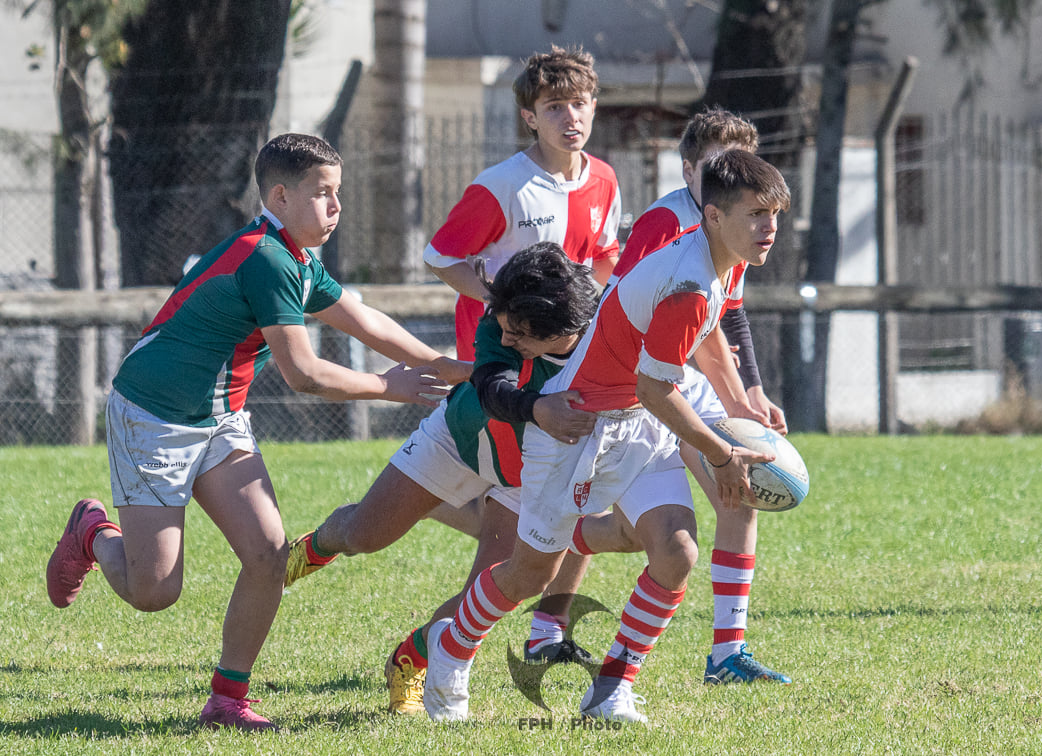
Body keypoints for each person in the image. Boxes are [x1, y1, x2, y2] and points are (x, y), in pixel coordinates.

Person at [44, 133, 470, 732]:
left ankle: (226, 701)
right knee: (154, 592)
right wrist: (389, 386)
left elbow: (362, 318)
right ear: (280, 196)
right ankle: (94, 533)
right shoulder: (266, 258)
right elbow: (304, 374)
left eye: (338, 193)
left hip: (220, 420)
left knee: (269, 555)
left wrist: (438, 364)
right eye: (323, 193)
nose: (336, 206)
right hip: (154, 415)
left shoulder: (294, 257)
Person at [422, 150, 791, 724]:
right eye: (756, 214)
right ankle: (452, 646)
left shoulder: (728, 258)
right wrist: (720, 453)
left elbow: (705, 333)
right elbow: (654, 387)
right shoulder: (687, 283)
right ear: (714, 216)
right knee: (530, 573)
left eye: (775, 214)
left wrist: (738, 400)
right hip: (577, 427)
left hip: (639, 422)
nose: (770, 227)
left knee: (676, 552)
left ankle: (610, 690)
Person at [283, 242, 601, 714]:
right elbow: (493, 389)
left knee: (496, 589)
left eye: (520, 335)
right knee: (365, 535)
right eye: (504, 325)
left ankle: (412, 658)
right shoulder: (501, 320)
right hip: (457, 440)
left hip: (528, 474)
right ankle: (315, 546)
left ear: (564, 330)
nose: (505, 335)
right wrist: (538, 408)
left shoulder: (602, 338)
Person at [583, 108, 792, 687]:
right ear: (692, 174)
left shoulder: (740, 226)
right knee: (597, 527)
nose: (732, 173)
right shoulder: (668, 225)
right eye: (718, 166)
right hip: (632, 388)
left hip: (675, 378)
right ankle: (561, 550)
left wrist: (745, 396)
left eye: (743, 165)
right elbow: (649, 316)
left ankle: (728, 651)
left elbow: (723, 320)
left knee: (740, 491)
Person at [423, 45, 621, 362]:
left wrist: (641, 300)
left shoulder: (604, 178)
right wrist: (506, 305)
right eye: (555, 107)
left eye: (579, 104)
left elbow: (602, 257)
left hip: (565, 346)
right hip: (498, 349)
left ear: (593, 108)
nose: (571, 117)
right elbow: (439, 257)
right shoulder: (501, 184)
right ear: (530, 117)